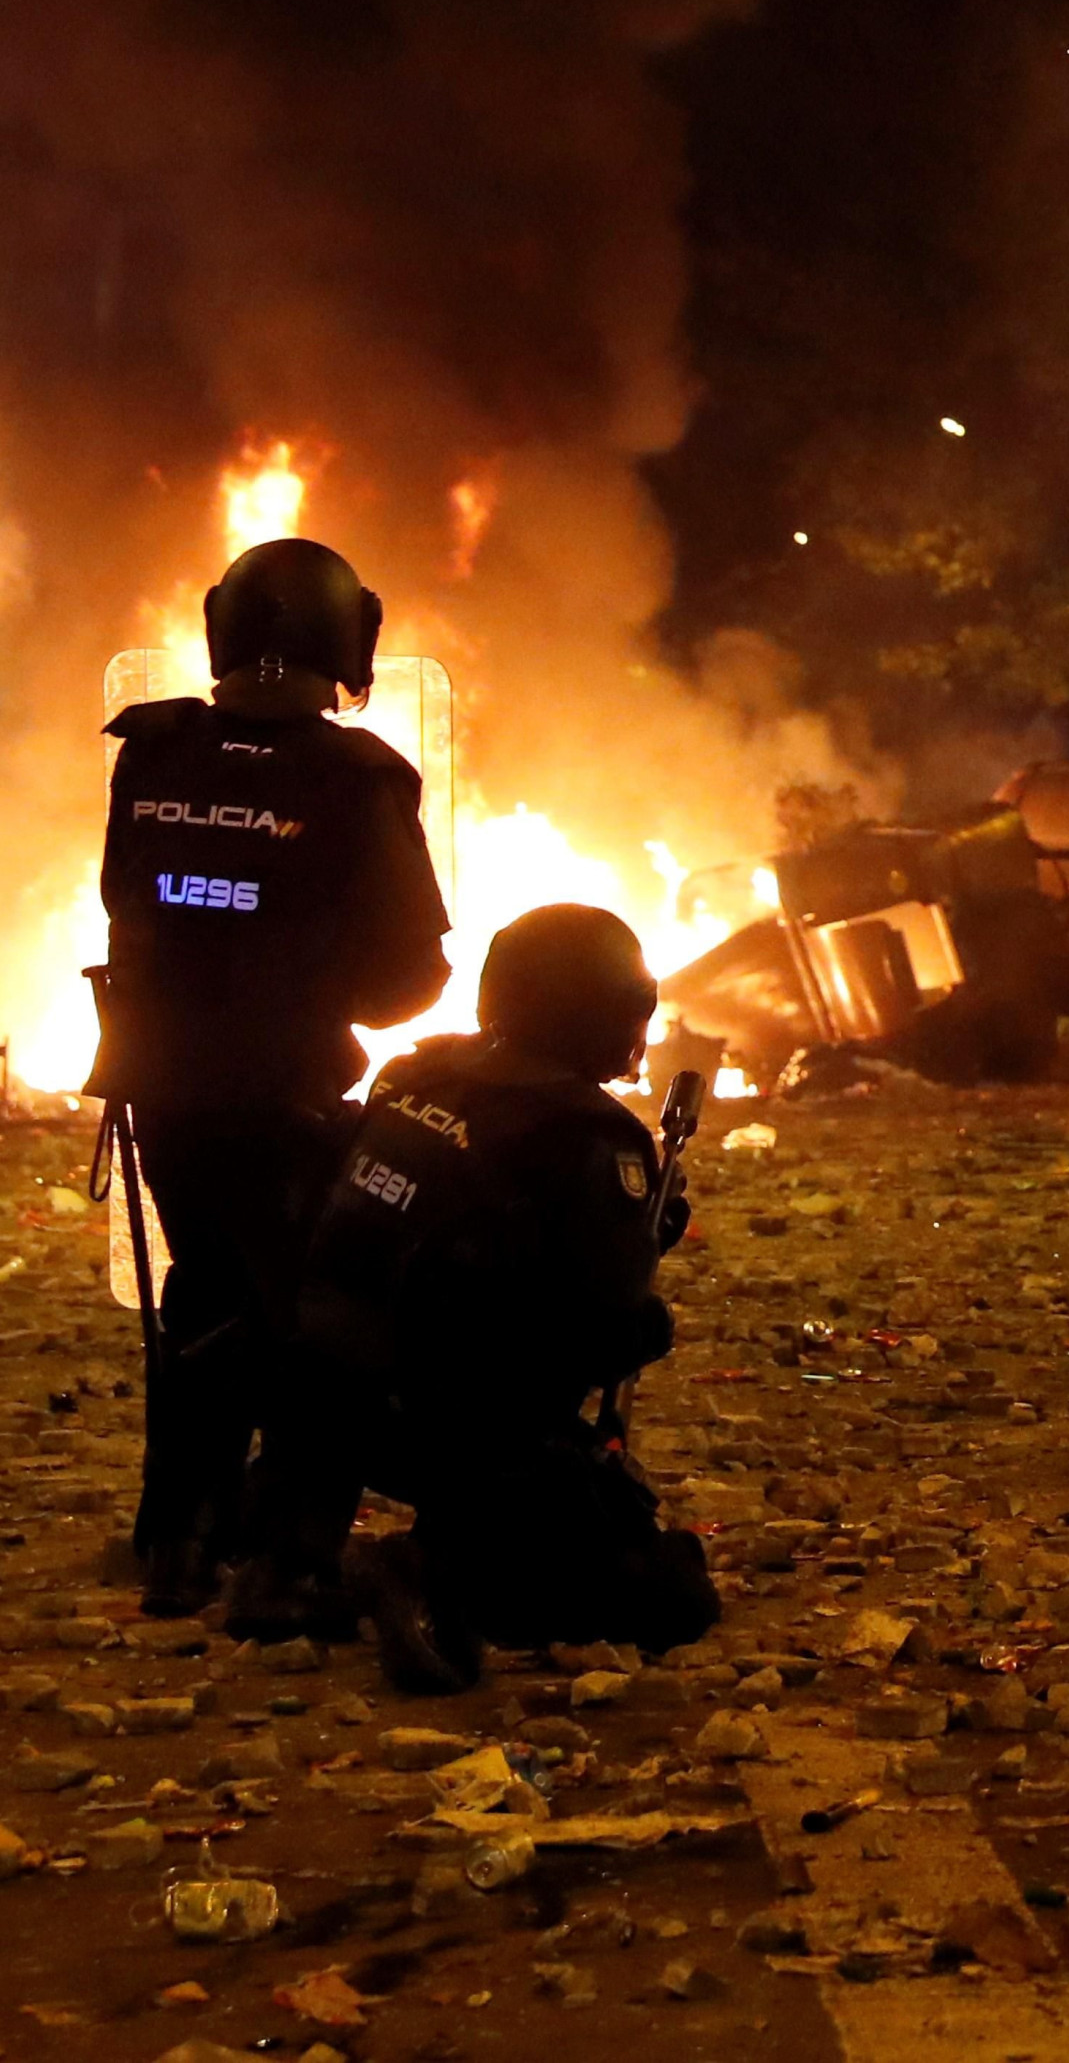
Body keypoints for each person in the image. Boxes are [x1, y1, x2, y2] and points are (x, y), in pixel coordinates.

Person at [88, 537, 450, 1622]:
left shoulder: (150, 751)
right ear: (349, 638)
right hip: (288, 1094)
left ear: (225, 628)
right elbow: (406, 980)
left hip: (164, 1090)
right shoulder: (358, 777)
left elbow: (125, 902)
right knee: (313, 1318)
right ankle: (286, 1558)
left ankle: (180, 1540)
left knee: (204, 1294)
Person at [293, 902, 719, 1692]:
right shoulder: (587, 1134)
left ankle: (290, 1554)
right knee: (673, 1596)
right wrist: (647, 1309)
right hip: (452, 1423)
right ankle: (427, 1573)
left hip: (321, 1400)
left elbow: (471, 1231)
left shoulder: (415, 1071)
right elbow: (601, 1325)